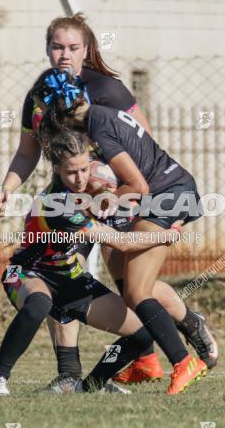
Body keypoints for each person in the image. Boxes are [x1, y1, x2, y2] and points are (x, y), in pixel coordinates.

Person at [0, 14, 217, 392]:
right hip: (77, 194)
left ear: (87, 48)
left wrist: (108, 190)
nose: (64, 55)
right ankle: (77, 372)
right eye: (56, 46)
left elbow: (141, 149)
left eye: (72, 47)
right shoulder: (41, 95)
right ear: (47, 48)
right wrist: (9, 188)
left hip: (127, 194)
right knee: (59, 266)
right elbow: (27, 152)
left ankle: (185, 332)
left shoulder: (105, 93)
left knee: (133, 283)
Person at [31, 70, 210, 395]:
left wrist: (99, 204)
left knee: (137, 291)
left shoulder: (97, 123)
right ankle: (147, 359)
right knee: (131, 286)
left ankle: (185, 362)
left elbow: (137, 185)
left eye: (48, 109)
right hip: (162, 195)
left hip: (163, 195)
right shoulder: (98, 115)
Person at [0, 130, 184, 395]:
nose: (80, 178)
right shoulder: (59, 203)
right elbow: (122, 243)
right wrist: (168, 234)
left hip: (69, 279)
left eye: (84, 169)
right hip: (27, 272)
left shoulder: (88, 190)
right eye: (71, 172)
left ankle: (90, 386)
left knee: (143, 332)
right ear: (56, 169)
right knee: (40, 303)